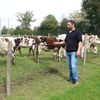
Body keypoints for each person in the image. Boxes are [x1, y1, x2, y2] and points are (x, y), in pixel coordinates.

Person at [65, 20, 82, 84]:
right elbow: (65, 41)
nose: (67, 26)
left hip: (74, 52)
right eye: (67, 25)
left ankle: (75, 80)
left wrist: (78, 50)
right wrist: (58, 42)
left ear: (73, 25)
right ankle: (71, 78)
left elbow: (80, 42)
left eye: (68, 25)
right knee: (70, 66)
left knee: (73, 66)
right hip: (67, 52)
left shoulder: (77, 32)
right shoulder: (68, 32)